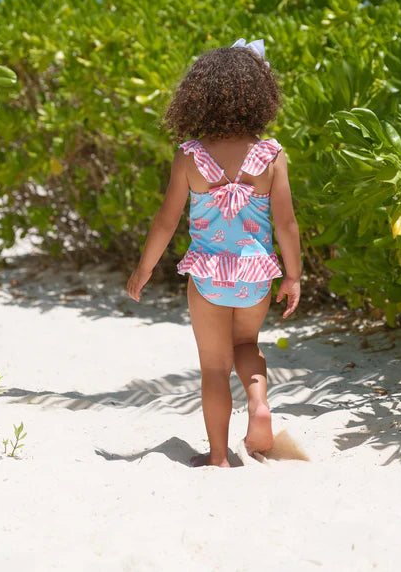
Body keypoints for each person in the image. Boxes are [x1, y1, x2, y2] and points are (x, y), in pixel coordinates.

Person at [125, 37, 302, 468]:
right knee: (247, 343)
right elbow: (286, 223)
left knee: (212, 368)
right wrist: (294, 276)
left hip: (207, 277)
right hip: (255, 274)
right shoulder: (271, 155)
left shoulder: (190, 156)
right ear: (260, 96)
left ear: (199, 99)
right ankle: (258, 402)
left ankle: (220, 457)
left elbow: (166, 221)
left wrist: (144, 269)